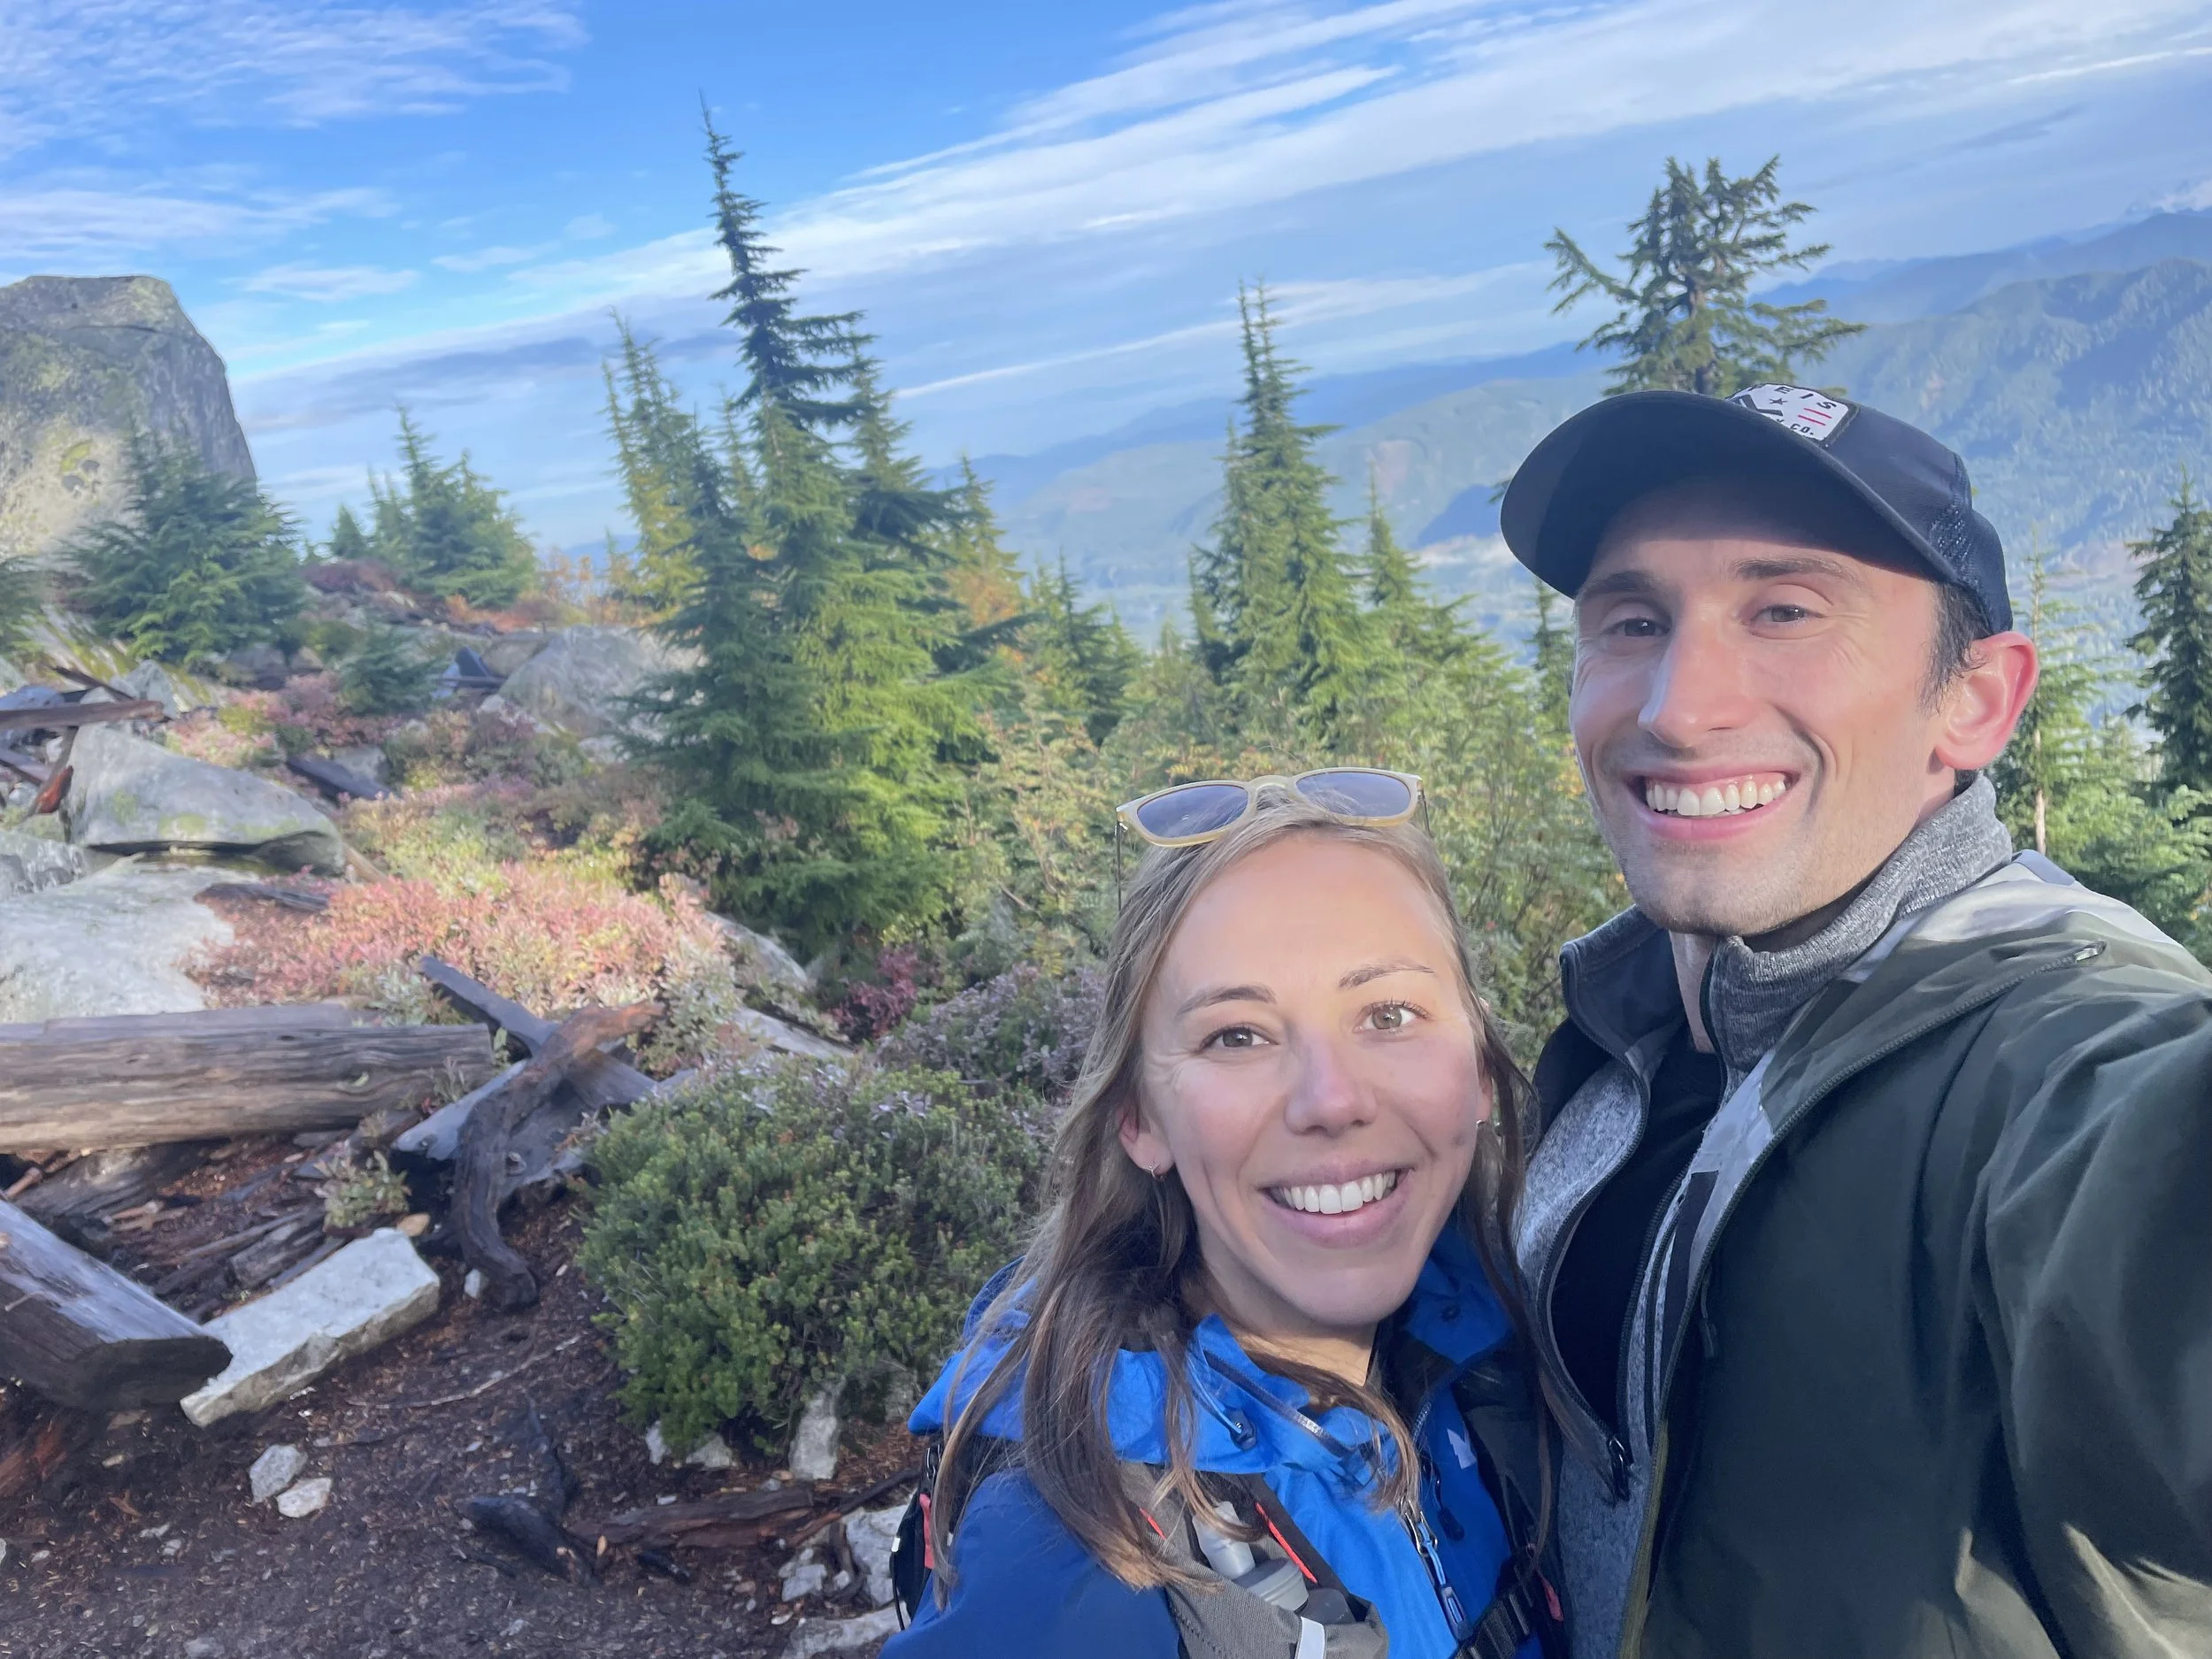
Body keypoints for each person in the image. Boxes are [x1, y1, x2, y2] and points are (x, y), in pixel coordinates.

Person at [1497, 381, 2212, 1658]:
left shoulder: (2048, 1049)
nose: (1675, 705)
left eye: (1785, 610)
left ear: (1976, 701)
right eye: (1632, 620)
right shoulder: (1630, 1034)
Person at [885, 776, 1559, 1659]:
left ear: (1477, 1067)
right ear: (1139, 1117)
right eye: (1236, 1035)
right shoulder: (1075, 1572)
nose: (1331, 1099)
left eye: (1388, 1014)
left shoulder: (1501, 1345)